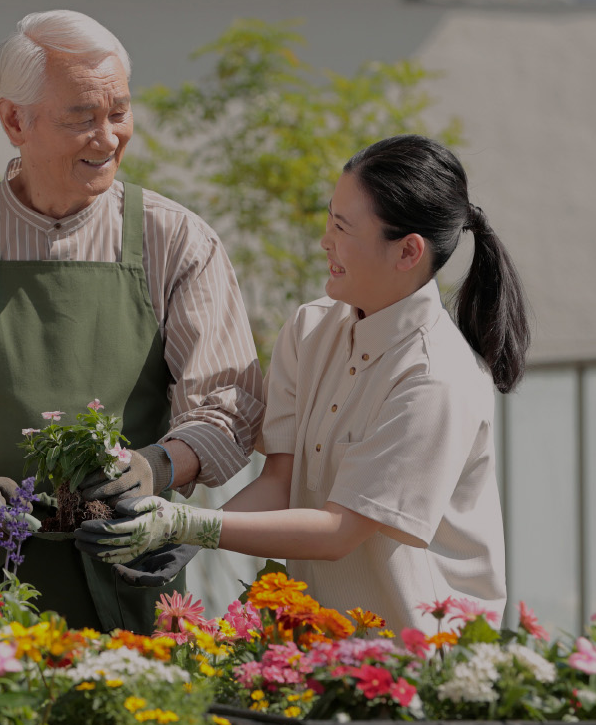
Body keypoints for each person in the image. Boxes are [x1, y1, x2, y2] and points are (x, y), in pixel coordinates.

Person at [0, 10, 264, 634]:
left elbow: (229, 405)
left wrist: (156, 466)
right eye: (81, 117)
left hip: (134, 584)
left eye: (119, 112)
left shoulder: (176, 240)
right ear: (13, 120)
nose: (107, 138)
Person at [77, 134, 530, 632]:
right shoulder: (310, 331)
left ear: (408, 252)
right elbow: (280, 483)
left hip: (421, 660)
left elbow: (339, 531)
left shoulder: (436, 376)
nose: (325, 241)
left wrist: (187, 523)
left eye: (342, 227)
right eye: (329, 218)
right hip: (323, 648)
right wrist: (184, 540)